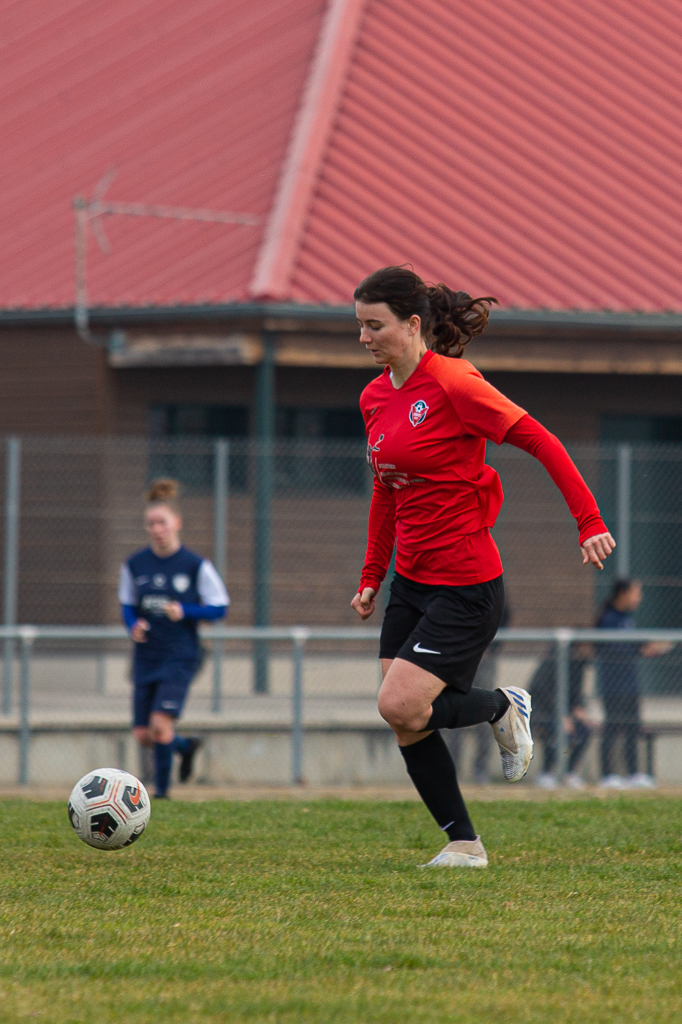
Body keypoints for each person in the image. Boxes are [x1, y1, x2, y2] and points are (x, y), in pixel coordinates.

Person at [350, 267, 615, 868]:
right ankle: (465, 845)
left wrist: (589, 520)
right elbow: (386, 489)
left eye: (374, 325)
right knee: (407, 719)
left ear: (412, 325)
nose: (363, 338)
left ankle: (501, 705)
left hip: (465, 583)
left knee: (399, 704)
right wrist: (371, 576)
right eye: (359, 325)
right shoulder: (373, 397)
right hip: (410, 581)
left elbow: (542, 440)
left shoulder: (455, 383)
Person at [118, 479, 229, 798]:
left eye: (162, 522)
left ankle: (162, 795)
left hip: (179, 655)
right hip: (146, 655)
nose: (156, 529)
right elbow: (126, 604)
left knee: (159, 725)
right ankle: (184, 746)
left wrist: (186, 611)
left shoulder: (195, 565)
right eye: (151, 524)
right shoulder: (135, 564)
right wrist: (133, 625)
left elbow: (220, 607)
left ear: (176, 523)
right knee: (143, 734)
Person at [596, 579, 670, 789]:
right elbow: (614, 649)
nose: (639, 598)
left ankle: (634, 773)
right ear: (623, 593)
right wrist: (639, 649)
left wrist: (647, 648)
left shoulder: (627, 619)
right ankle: (607, 774)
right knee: (613, 726)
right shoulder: (608, 619)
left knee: (632, 727)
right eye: (636, 593)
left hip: (630, 684)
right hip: (613, 685)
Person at [530, 650, 592, 789]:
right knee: (555, 731)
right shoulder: (551, 663)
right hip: (543, 712)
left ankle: (568, 772)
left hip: (565, 714)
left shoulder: (578, 666)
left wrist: (579, 709)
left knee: (584, 730)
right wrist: (560, 716)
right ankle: (546, 772)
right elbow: (540, 692)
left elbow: (576, 694)